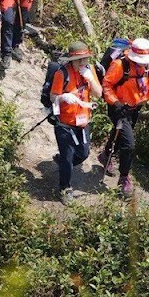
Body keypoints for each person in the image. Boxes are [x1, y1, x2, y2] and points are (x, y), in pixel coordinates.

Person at [101, 37, 149, 199]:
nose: (143, 64)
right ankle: (124, 178)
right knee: (129, 144)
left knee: (122, 136)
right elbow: (107, 85)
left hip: (135, 108)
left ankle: (105, 155)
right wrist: (116, 104)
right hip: (119, 108)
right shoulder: (120, 65)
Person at [49, 42, 102, 204]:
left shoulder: (89, 70)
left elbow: (98, 94)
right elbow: (53, 96)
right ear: (71, 60)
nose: (82, 63)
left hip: (83, 121)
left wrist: (90, 79)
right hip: (64, 123)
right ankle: (65, 188)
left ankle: (64, 163)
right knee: (68, 156)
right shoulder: (62, 73)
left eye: (85, 59)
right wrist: (63, 97)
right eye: (79, 60)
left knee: (84, 153)